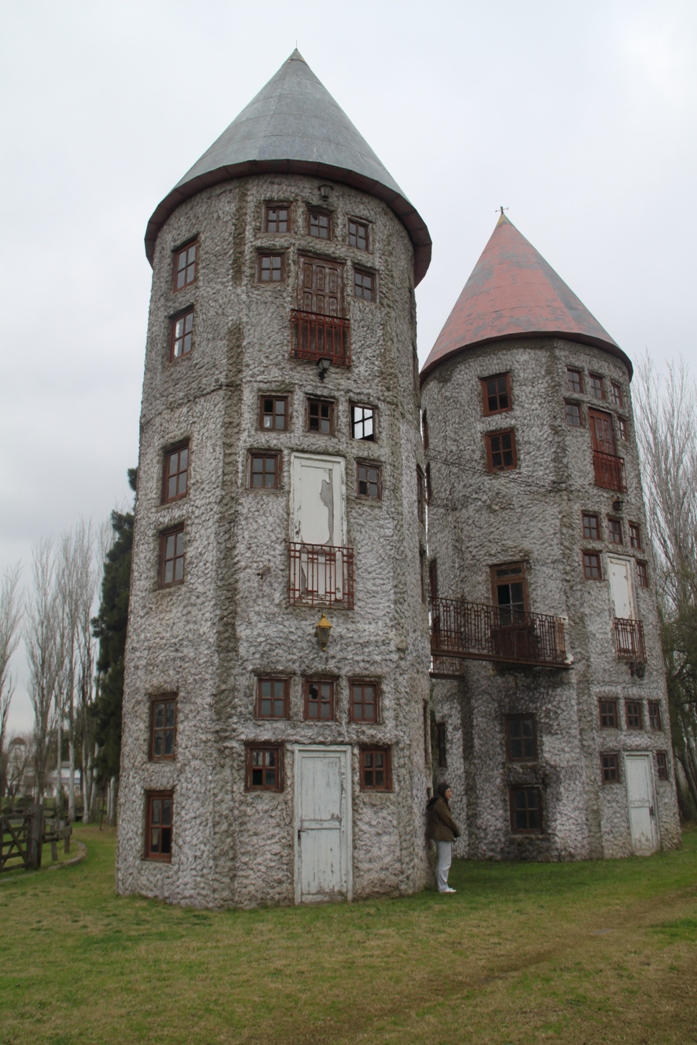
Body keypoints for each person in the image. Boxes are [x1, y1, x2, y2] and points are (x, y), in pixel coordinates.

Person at [427, 783, 460, 894]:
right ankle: (443, 886)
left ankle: (442, 885)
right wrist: (456, 831)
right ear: (443, 792)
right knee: (445, 862)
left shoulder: (440, 803)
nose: (450, 794)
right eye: (448, 791)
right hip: (443, 835)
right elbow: (448, 819)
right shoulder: (440, 804)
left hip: (441, 835)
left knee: (443, 861)